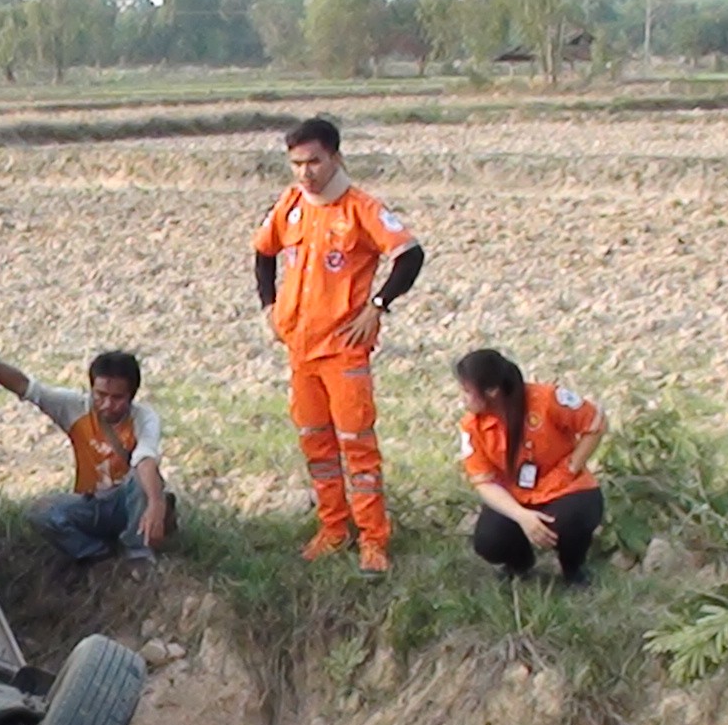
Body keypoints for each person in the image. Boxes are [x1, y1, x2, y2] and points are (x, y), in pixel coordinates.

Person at [254, 116, 426, 572]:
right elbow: (263, 252)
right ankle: (333, 528)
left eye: (313, 162)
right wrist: (269, 307)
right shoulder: (290, 205)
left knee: (357, 445)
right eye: (296, 163)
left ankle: (373, 538)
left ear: (335, 158)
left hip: (344, 349)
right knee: (316, 443)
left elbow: (410, 255)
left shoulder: (361, 209)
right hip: (299, 347)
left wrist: (378, 305)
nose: (305, 172)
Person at [0, 346, 168, 569]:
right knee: (41, 512)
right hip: (92, 502)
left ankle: (137, 554)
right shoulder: (75, 407)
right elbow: (26, 387)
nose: (107, 404)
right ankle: (98, 557)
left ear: (132, 396)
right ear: (91, 390)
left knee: (143, 479)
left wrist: (156, 503)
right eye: (101, 395)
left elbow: (145, 459)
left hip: (127, 503)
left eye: (117, 398)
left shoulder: (144, 418)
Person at [454, 349, 607, 585]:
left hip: (564, 487)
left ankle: (573, 568)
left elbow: (595, 422)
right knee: (489, 541)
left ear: (492, 391)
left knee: (572, 520)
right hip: (517, 495)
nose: (461, 399)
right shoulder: (472, 426)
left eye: (466, 391)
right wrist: (521, 516)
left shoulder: (546, 399)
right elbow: (483, 482)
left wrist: (572, 465)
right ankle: (520, 565)